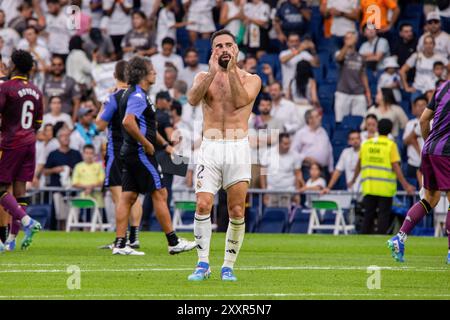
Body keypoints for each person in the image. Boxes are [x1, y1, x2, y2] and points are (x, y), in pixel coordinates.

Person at [186, 29, 261, 281]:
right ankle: (202, 263)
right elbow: (192, 99)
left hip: (238, 146)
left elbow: (240, 101)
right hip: (211, 145)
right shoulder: (203, 76)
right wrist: (211, 72)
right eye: (219, 46)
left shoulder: (251, 79)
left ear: (236, 49)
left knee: (237, 209)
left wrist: (229, 71)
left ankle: (228, 265)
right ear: (213, 50)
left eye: (229, 45)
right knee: (202, 204)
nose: (224, 49)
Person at [113, 56, 196, 256]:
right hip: (140, 153)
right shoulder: (138, 96)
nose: (155, 73)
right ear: (142, 74)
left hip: (130, 152)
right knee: (160, 193)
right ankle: (173, 242)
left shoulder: (133, 93)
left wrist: (165, 146)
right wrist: (147, 143)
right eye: (152, 69)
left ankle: (120, 243)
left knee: (128, 197)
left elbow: (149, 127)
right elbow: (128, 122)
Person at [388, 80, 450, 264]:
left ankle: (399, 237)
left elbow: (423, 120)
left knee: (431, 198)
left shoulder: (442, 88)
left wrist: (429, 145)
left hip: (429, 149)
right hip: (446, 152)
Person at [96, 60, 143, 249]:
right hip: (135, 150)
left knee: (119, 197)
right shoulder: (138, 95)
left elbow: (99, 124)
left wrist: (101, 106)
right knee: (133, 196)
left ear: (115, 76)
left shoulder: (113, 97)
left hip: (116, 150)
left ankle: (120, 239)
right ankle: (134, 236)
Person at [0, 50, 44, 252]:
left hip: (11, 142)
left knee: (1, 188)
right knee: (20, 192)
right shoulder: (36, 90)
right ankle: (11, 240)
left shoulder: (7, 88)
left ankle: (26, 221)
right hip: (30, 142)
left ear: (15, 65)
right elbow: (38, 122)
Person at [349, 119, 415, 235]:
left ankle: (364, 238)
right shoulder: (391, 145)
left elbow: (359, 164)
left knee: (368, 214)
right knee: (383, 215)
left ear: (378, 129)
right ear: (390, 130)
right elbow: (396, 166)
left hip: (369, 186)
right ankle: (380, 239)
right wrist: (405, 185)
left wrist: (353, 179)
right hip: (385, 187)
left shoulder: (367, 144)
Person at [334, 31, 371, 123]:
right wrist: (347, 46)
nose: (349, 40)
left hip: (358, 93)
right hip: (343, 92)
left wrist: (368, 92)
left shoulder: (360, 57)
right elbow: (339, 59)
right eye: (347, 38)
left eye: (351, 38)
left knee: (361, 121)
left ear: (356, 40)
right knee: (340, 121)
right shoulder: (339, 53)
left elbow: (363, 75)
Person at [400, 35, 448, 103]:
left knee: (432, 112)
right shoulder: (416, 56)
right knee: (416, 111)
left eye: (430, 43)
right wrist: (406, 87)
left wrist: (447, 83)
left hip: (433, 89)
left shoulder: (440, 57)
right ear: (423, 45)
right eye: (426, 43)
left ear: (434, 45)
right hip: (418, 88)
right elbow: (402, 70)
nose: (428, 45)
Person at [260, 133, 303, 208]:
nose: (288, 146)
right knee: (271, 215)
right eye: (285, 144)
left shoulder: (295, 155)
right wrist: (264, 192)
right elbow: (263, 174)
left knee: (285, 215)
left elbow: (297, 175)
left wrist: (297, 194)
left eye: (289, 143)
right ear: (279, 143)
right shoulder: (268, 153)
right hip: (271, 191)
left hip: (288, 191)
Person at [291, 109, 334, 182]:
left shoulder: (323, 131)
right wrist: (305, 158)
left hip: (322, 170)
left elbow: (329, 150)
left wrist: (331, 169)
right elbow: (293, 151)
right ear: (310, 119)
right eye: (317, 116)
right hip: (308, 169)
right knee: (309, 192)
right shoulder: (301, 133)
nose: (320, 118)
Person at [43, 56, 82, 122]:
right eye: (54, 65)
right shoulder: (46, 82)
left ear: (63, 66)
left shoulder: (70, 81)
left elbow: (77, 103)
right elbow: (44, 102)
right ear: (51, 66)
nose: (57, 67)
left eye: (59, 65)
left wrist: (72, 121)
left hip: (65, 120)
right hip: (48, 120)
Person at [403, 96, 427, 186]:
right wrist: (414, 134)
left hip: (428, 163)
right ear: (414, 108)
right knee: (412, 194)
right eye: (418, 105)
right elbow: (405, 141)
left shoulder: (432, 122)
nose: (421, 107)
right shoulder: (410, 123)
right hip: (413, 163)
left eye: (424, 105)